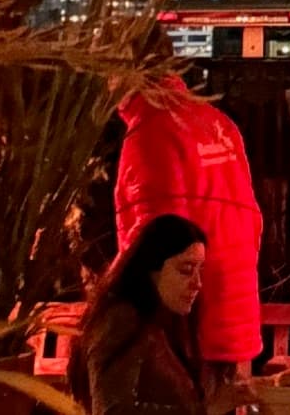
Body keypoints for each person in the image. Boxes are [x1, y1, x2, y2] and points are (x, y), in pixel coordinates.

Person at [113, 71, 264, 380]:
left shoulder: (151, 129)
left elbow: (156, 241)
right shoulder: (218, 122)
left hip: (186, 326)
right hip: (232, 309)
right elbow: (252, 218)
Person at [74, 214, 209, 415]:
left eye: (200, 270)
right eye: (186, 269)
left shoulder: (160, 320)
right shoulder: (120, 319)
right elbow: (113, 410)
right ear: (151, 269)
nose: (197, 283)